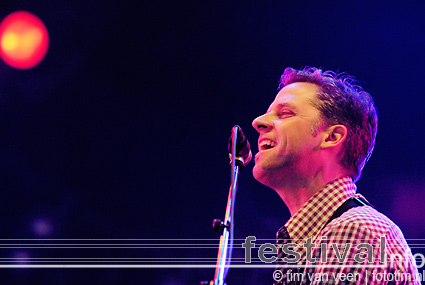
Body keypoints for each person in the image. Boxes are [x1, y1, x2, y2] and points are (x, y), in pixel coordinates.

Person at [251, 67, 420, 284]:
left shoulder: (354, 231)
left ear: (332, 137)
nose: (258, 121)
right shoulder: (323, 236)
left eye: (285, 113)